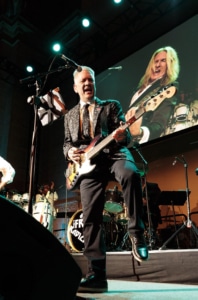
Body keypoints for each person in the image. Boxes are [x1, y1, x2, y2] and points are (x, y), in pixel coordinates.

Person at [63, 66, 148, 293]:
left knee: (130, 174)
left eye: (90, 80)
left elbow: (127, 137)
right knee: (90, 217)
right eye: (83, 81)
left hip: (114, 155)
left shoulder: (111, 106)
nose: (88, 84)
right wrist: (70, 153)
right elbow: (66, 143)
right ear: (75, 87)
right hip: (87, 166)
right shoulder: (70, 116)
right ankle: (96, 276)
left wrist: (122, 134)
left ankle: (137, 235)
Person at [125, 46, 180, 144]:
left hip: (134, 146)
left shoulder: (168, 88)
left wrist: (140, 132)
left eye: (163, 60)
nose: (157, 65)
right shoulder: (138, 89)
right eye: (156, 61)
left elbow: (159, 123)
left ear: (170, 64)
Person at [141, 175, 162, 249]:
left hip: (152, 212)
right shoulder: (135, 188)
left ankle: (154, 243)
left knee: (152, 229)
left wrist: (148, 201)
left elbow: (159, 199)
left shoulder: (153, 186)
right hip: (141, 213)